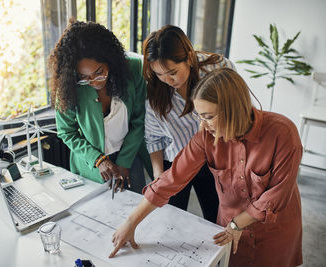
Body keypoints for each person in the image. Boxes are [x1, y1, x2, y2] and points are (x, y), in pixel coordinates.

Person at [110, 68, 303, 267]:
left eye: (208, 117)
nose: (202, 125)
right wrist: (131, 222)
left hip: (273, 233)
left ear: (233, 109)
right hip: (228, 229)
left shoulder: (283, 132)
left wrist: (238, 224)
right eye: (199, 116)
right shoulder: (206, 137)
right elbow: (173, 178)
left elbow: (277, 195)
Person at [143, 25, 235, 221]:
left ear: (189, 57)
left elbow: (239, 111)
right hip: (176, 161)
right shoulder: (155, 89)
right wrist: (159, 174)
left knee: (216, 217)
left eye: (172, 72)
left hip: (215, 160)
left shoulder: (219, 69)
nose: (166, 79)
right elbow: (153, 138)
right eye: (159, 74)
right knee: (171, 219)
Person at [49, 20, 152, 193]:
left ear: (110, 60)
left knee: (137, 206)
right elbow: (67, 132)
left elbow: (139, 121)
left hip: (129, 154)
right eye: (84, 76)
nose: (93, 82)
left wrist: (124, 162)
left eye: (99, 72)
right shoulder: (69, 86)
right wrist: (98, 159)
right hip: (92, 163)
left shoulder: (134, 70)